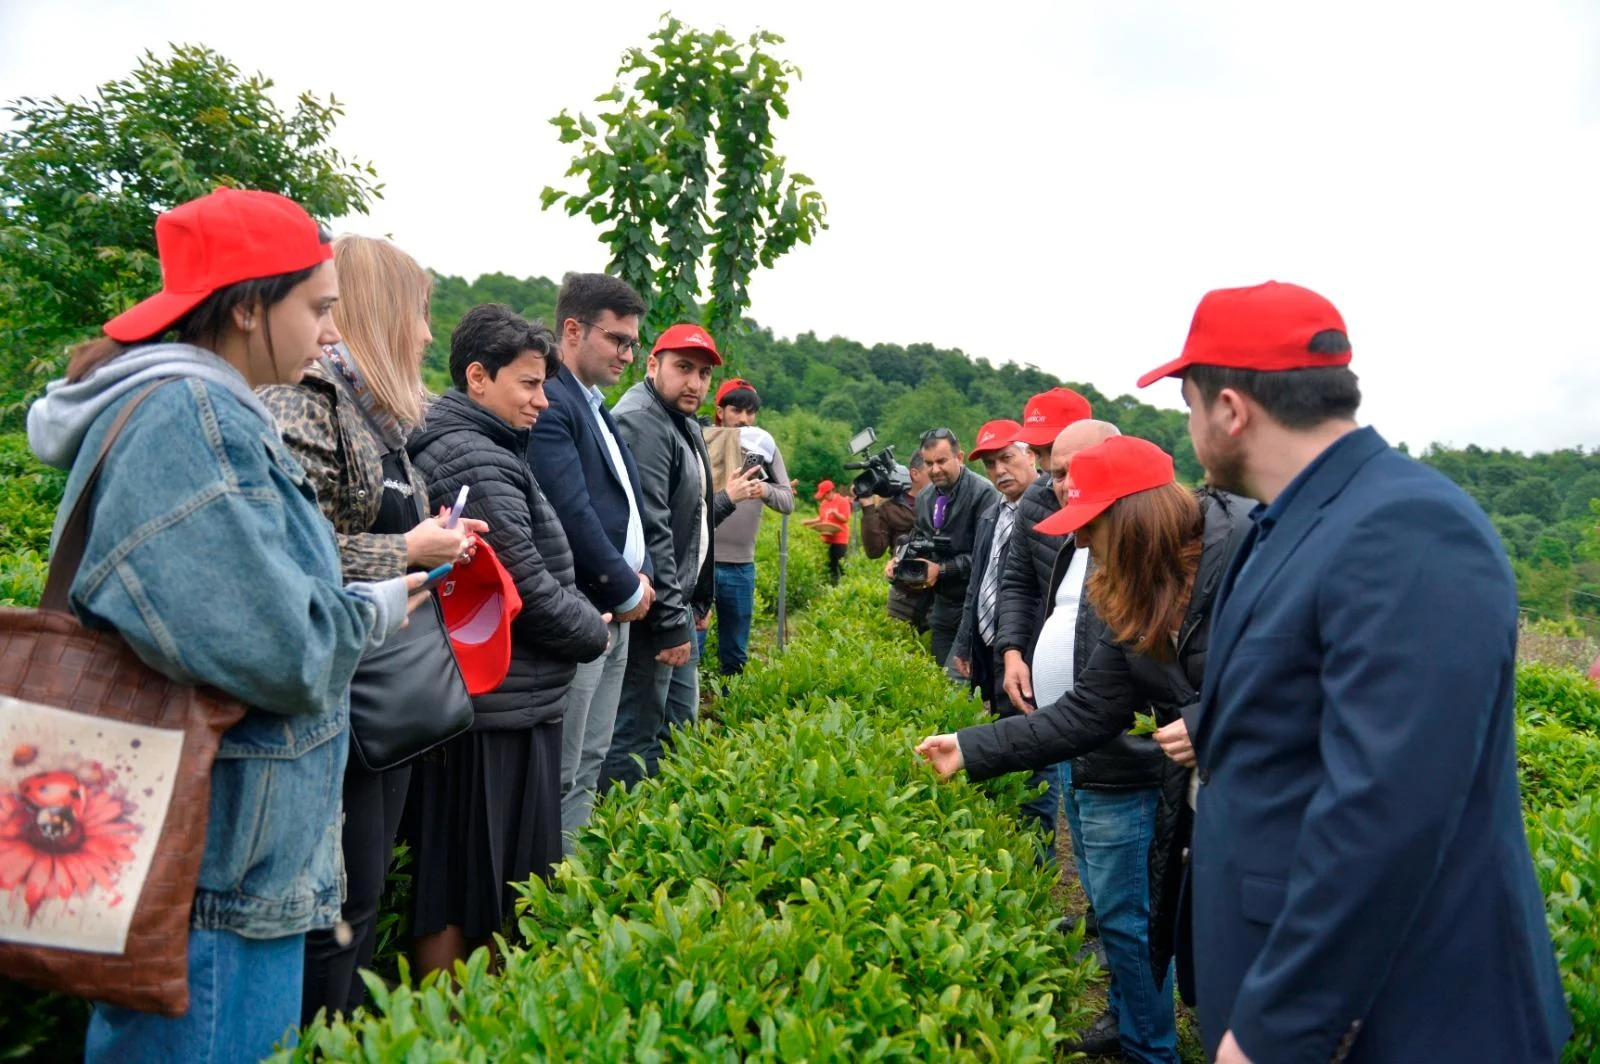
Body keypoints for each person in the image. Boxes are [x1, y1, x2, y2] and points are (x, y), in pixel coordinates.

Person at [26, 187, 421, 1063]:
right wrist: (378, 606)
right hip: (213, 873)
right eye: (318, 308)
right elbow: (288, 651)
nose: (330, 332)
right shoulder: (190, 420)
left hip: (222, 861)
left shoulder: (204, 411)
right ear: (247, 307)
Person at [1136, 280, 1570, 1063]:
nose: (1191, 427)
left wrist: (1277, 1029)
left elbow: (1389, 810)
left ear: (1231, 409)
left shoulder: (1405, 526)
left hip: (1392, 1021)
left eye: (1189, 406)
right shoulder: (1295, 521)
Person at [916, 435, 1252, 1064]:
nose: (1085, 544)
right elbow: (1088, 711)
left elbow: (1311, 672)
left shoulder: (1245, 554)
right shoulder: (1136, 593)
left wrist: (1214, 720)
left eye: (1093, 527)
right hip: (1215, 802)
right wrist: (969, 748)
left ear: (1134, 518)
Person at [258, 235, 484, 1024]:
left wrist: (437, 537)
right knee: (336, 907)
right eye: (419, 314)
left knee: (360, 892)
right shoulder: (307, 399)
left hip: (376, 698)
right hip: (337, 700)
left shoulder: (376, 416)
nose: (427, 335)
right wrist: (408, 547)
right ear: (383, 312)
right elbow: (283, 546)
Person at [406, 305, 610, 976]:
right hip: (493, 706)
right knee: (475, 888)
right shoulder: (472, 454)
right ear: (478, 377)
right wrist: (592, 630)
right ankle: (460, 1029)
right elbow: (524, 581)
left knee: (471, 880)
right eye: (527, 384)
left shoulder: (485, 446)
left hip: (500, 698)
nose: (541, 400)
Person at [527, 273, 653, 849]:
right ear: (572, 330)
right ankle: (545, 897)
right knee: (564, 764)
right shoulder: (554, 403)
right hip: (586, 612)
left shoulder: (593, 405)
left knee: (592, 755)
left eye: (633, 343)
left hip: (614, 607)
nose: (628, 354)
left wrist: (635, 578)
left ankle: (572, 882)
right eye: (618, 340)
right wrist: (626, 588)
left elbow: (620, 504)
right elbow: (571, 515)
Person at [600, 324, 741, 790]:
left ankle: (665, 830)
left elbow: (694, 516)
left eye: (703, 373)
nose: (695, 383)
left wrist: (696, 600)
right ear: (653, 364)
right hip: (651, 612)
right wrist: (670, 621)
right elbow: (653, 528)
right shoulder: (643, 420)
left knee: (678, 725)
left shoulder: (679, 420)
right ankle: (620, 834)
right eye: (683, 368)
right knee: (636, 731)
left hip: (674, 604)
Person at [704, 377, 793, 674]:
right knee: (692, 646)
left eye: (750, 412)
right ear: (720, 411)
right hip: (701, 563)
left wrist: (763, 490)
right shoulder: (703, 440)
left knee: (735, 652)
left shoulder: (765, 447)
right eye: (736, 410)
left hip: (741, 566)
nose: (744, 419)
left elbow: (787, 501)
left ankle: (731, 710)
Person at [948, 420, 1034, 704]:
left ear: (1030, 455)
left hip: (1026, 649)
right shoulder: (991, 515)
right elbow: (978, 584)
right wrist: (965, 641)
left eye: (1007, 458)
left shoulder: (1045, 514)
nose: (999, 470)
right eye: (990, 464)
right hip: (989, 645)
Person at [905, 428, 1000, 668]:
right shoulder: (925, 497)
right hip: (941, 604)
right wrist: (902, 559)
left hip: (974, 605)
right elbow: (920, 539)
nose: (934, 469)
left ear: (960, 457)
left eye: (941, 461)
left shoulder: (984, 493)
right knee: (941, 677)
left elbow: (987, 556)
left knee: (962, 679)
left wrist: (943, 569)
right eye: (928, 463)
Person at [861, 451, 930, 630]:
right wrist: (868, 507)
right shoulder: (889, 508)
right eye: (930, 466)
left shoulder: (946, 502)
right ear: (915, 473)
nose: (937, 471)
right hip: (903, 594)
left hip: (939, 593)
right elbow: (874, 551)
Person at [807, 479, 853, 584]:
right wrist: (808, 522)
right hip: (827, 537)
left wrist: (835, 514)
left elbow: (845, 518)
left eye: (824, 495)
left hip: (840, 538)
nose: (823, 498)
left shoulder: (842, 501)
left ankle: (845, 585)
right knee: (831, 564)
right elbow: (821, 518)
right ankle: (833, 585)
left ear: (830, 492)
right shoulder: (824, 503)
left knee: (841, 564)